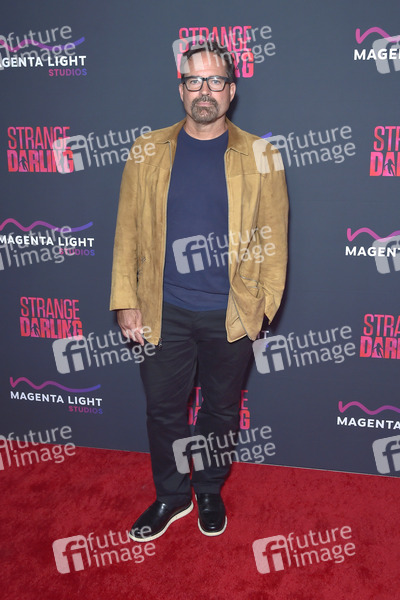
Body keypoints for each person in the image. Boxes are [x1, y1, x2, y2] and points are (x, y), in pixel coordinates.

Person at [110, 40, 288, 541]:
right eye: (194, 80)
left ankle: (208, 488)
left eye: (215, 81)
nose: (204, 90)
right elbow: (126, 232)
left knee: (220, 411)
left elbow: (275, 241)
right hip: (161, 309)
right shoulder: (147, 150)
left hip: (230, 314)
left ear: (231, 91)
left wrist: (262, 308)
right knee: (163, 410)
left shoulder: (261, 154)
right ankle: (172, 496)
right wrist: (125, 300)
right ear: (181, 89)